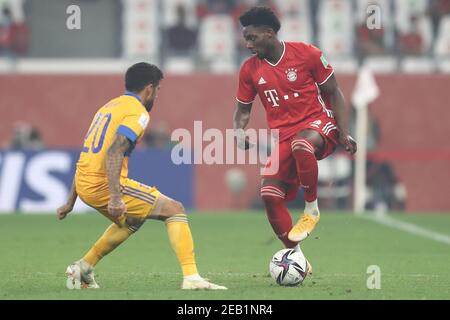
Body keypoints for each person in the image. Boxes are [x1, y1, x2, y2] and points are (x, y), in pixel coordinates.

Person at [56, 62, 226, 290]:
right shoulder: (138, 112)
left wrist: (70, 201)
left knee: (133, 220)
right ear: (149, 88)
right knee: (175, 209)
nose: (156, 95)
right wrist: (115, 197)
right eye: (157, 91)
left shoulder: (108, 107)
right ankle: (192, 277)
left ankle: (83, 268)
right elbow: (114, 151)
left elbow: (88, 153)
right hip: (103, 185)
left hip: (86, 183)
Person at [233, 7, 357, 266]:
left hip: (319, 126)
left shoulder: (307, 54)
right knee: (269, 194)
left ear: (269, 33)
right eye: (245, 38)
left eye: (252, 38)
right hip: (285, 137)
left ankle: (311, 208)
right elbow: (243, 110)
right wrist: (238, 130)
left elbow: (334, 92)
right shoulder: (249, 70)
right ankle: (296, 256)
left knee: (302, 143)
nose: (247, 44)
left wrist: (344, 133)